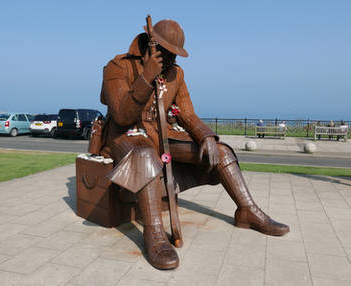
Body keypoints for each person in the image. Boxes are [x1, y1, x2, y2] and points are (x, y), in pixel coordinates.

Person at [99, 19, 289, 270]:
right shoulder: (118, 66)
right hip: (126, 136)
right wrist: (146, 76)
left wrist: (206, 135)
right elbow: (122, 115)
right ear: (151, 43)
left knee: (219, 152)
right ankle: (154, 234)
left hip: (161, 134)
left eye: (173, 55)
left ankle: (247, 211)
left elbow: (188, 115)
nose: (169, 60)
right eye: (165, 52)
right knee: (145, 155)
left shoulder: (176, 73)